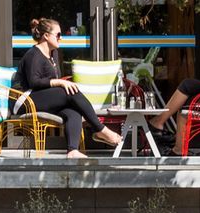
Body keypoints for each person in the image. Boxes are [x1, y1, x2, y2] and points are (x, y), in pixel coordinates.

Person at [17, 16, 122, 158]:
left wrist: (61, 83)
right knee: (68, 91)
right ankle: (100, 129)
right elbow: (33, 82)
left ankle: (72, 150)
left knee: (73, 110)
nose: (61, 38)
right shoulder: (34, 55)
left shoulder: (52, 55)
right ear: (46, 36)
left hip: (45, 99)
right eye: (58, 35)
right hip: (27, 100)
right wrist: (60, 82)